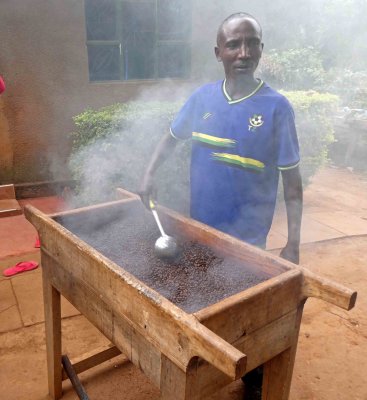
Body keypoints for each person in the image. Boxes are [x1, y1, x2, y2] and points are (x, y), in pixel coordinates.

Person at [139, 12, 302, 265]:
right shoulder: (202, 98)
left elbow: (292, 185)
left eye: (252, 43)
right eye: (234, 44)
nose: (244, 53)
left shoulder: (277, 108)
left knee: (244, 301)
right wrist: (149, 174)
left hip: (249, 241)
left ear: (261, 49)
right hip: (201, 231)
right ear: (218, 53)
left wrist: (293, 244)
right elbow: (171, 138)